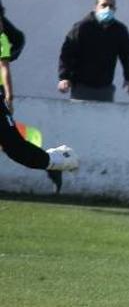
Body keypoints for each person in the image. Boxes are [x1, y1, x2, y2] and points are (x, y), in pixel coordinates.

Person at [2, 16, 78, 193]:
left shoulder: (1, 40)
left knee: (16, 149)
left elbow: (4, 67)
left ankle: (61, 160)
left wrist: (9, 97)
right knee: (13, 148)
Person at [57, 0, 129, 102]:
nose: (107, 9)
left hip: (105, 88)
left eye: (111, 6)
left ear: (115, 9)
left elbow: (127, 56)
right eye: (104, 5)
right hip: (81, 86)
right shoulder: (82, 27)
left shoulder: (120, 30)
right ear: (95, 7)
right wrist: (64, 77)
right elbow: (67, 52)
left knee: (104, 118)